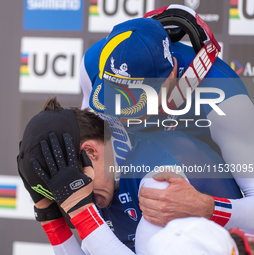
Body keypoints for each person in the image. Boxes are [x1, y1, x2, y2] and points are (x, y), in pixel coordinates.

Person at [80, 5, 254, 230]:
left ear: (171, 76)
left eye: (133, 103)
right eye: (110, 97)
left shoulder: (226, 100)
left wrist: (204, 207)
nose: (117, 114)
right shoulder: (93, 62)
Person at [17, 97, 253, 255]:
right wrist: (50, 218)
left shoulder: (157, 176)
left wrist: (81, 211)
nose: (68, 201)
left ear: (90, 152)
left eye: (69, 189)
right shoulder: (98, 181)